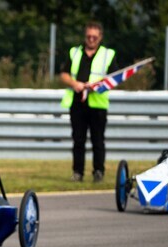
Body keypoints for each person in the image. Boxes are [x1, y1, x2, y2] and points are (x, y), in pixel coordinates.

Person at [60, 21, 119, 183]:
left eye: (95, 37)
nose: (91, 39)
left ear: (100, 37)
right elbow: (64, 74)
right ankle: (77, 172)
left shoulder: (108, 54)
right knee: (78, 140)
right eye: (89, 36)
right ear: (85, 36)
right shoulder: (74, 52)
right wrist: (75, 84)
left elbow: (114, 79)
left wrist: (96, 86)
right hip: (77, 102)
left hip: (97, 103)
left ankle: (98, 171)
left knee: (97, 140)